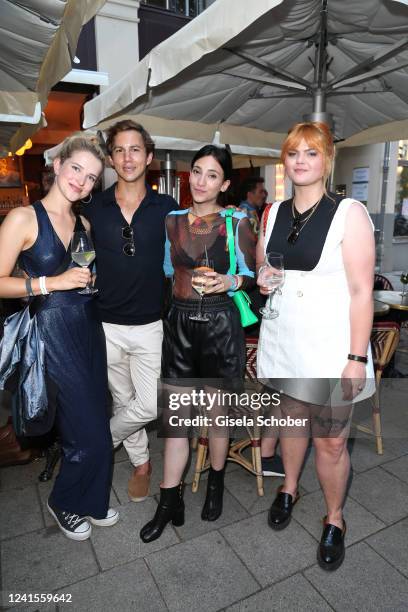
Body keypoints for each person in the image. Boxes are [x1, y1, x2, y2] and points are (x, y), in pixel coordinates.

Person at [256, 121, 375, 571]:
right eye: (293, 153)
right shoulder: (272, 212)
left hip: (330, 349)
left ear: (327, 160)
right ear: (284, 160)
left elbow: (362, 291)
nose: (300, 160)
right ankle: (289, 487)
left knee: (329, 444)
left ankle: (335, 518)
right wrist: (264, 280)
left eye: (311, 152)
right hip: (284, 343)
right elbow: (265, 269)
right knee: (290, 427)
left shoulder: (350, 213)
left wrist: (356, 358)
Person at [0, 133, 118, 541]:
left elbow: (80, 276)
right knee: (82, 428)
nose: (82, 182)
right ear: (58, 165)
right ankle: (65, 501)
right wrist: (53, 281)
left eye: (91, 178)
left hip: (88, 327)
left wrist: (86, 281)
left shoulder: (83, 222)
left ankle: (93, 499)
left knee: (98, 422)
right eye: (77, 170)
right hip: (51, 335)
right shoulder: (23, 219)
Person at [140, 145, 256, 543]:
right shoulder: (172, 221)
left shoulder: (237, 220)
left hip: (221, 325)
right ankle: (168, 500)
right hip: (180, 325)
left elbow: (254, 275)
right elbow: (169, 272)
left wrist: (230, 280)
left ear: (224, 183)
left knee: (214, 416)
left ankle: (216, 483)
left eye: (211, 175)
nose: (201, 181)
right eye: (197, 172)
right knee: (176, 421)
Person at [83, 120, 178, 502]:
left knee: (150, 401)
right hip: (104, 323)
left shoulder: (168, 209)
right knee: (123, 400)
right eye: (119, 150)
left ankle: (99, 443)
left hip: (150, 324)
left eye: (135, 149)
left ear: (149, 156)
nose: (127, 157)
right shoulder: (93, 207)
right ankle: (141, 464)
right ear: (109, 158)